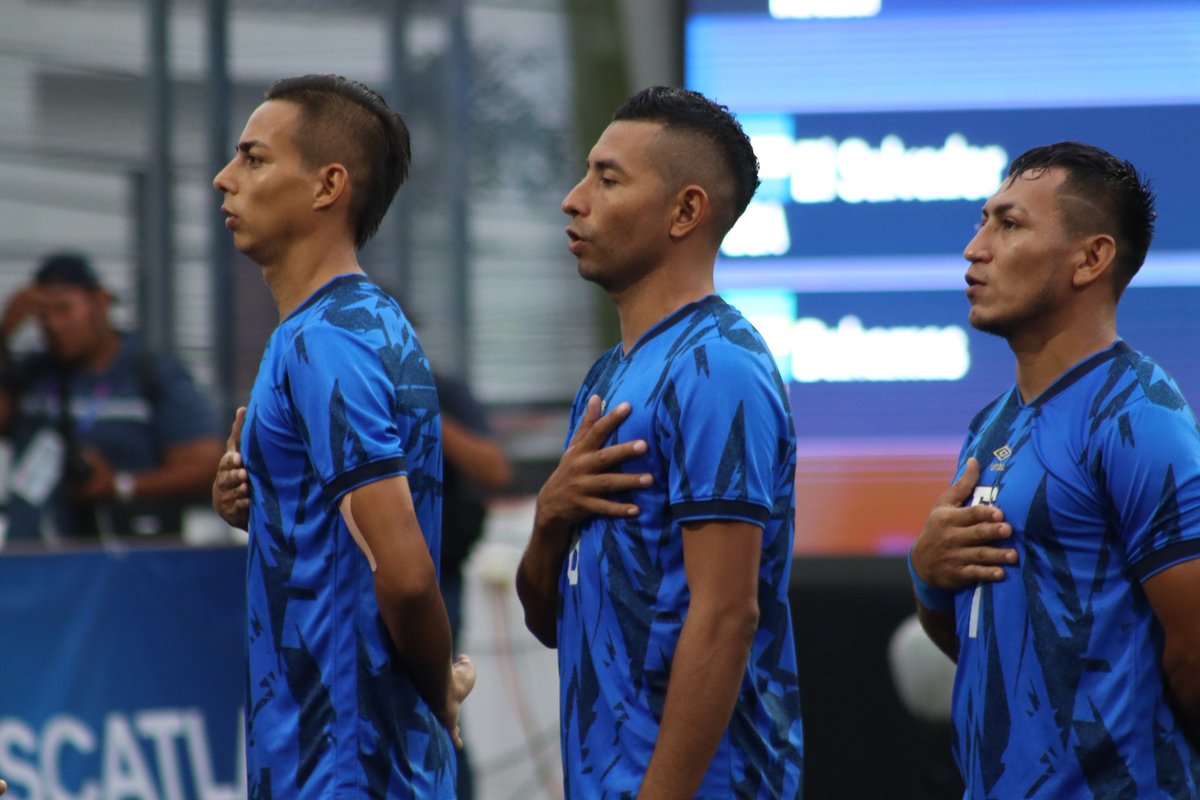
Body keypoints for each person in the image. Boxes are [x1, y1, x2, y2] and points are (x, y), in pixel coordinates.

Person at [515, 86, 804, 798]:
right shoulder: (607, 379)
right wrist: (549, 520)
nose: (574, 199)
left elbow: (728, 614)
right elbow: (550, 623)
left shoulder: (719, 367)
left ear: (686, 211)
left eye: (608, 178)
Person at [210, 74, 474, 797]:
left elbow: (409, 572)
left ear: (329, 185)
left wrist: (437, 688)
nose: (223, 179)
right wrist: (260, 501)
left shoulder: (330, 340)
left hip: (343, 771)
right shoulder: (344, 325)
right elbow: (345, 536)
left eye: (254, 158)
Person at [908, 141, 1200, 796]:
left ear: (1091, 258)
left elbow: (1196, 649)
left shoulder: (1141, 418)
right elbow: (995, 651)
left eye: (1008, 224)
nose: (974, 248)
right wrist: (926, 574)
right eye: (983, 220)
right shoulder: (991, 424)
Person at [0, 252, 222, 543]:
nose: (53, 325)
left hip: (123, 562)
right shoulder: (31, 374)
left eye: (64, 309)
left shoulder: (149, 374)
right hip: (33, 565)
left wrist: (120, 485)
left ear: (100, 300)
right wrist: (3, 334)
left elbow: (207, 465)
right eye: (43, 315)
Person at [435, 370, 512, 800]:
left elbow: (494, 467)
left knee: (438, 711)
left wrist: (427, 418)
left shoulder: (440, 390)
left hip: (437, 577)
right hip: (357, 583)